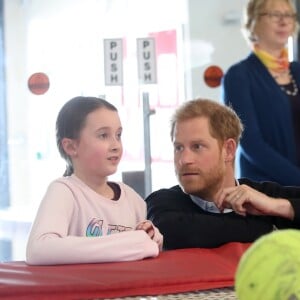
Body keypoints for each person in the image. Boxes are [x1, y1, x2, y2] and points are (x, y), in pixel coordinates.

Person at [145, 98, 300, 250]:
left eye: (197, 146)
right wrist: (268, 226)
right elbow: (173, 231)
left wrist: (276, 207)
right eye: (178, 148)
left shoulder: (265, 196)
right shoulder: (162, 202)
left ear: (229, 150)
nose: (184, 160)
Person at [26, 96, 163, 265]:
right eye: (103, 135)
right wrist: (132, 243)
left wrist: (152, 237)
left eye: (118, 135)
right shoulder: (64, 191)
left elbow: (144, 249)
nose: (116, 145)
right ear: (71, 147)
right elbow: (38, 250)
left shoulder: (132, 198)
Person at [221, 0, 300, 185]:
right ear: (254, 22)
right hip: (264, 191)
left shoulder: (297, 71)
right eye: (274, 15)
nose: (284, 21)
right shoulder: (238, 76)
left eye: (288, 15)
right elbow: (252, 144)